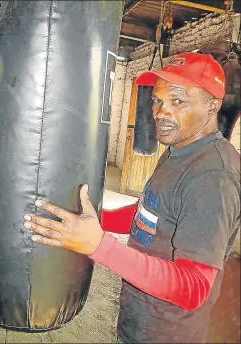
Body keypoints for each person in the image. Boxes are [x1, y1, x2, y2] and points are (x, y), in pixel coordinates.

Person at [23, 52, 240, 343]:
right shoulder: (181, 148)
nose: (161, 112)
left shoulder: (212, 176)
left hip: (168, 334)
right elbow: (151, 214)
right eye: (157, 100)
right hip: (140, 321)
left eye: (178, 101)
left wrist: (99, 245)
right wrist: (94, 221)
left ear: (212, 106)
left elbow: (194, 288)